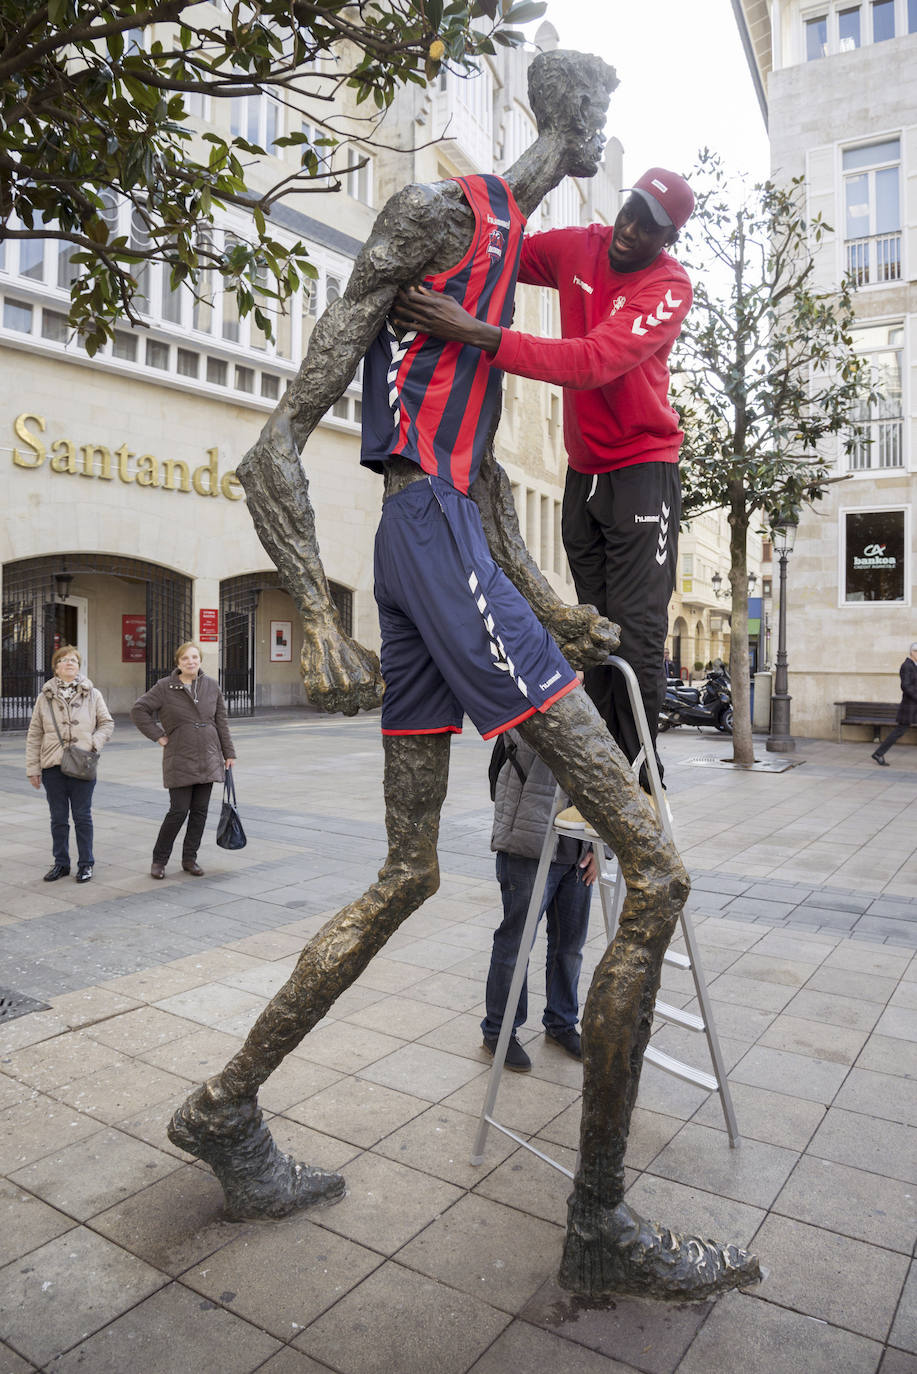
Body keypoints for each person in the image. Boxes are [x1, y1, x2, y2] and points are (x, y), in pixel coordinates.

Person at [165, 51, 759, 1303]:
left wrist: (560, 607)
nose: (609, 138)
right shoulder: (446, 215)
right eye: (605, 111)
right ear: (576, 120)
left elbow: (482, 473)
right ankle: (596, 1226)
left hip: (440, 538)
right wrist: (322, 632)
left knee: (408, 869)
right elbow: (274, 447)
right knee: (654, 866)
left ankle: (226, 1107)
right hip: (424, 543)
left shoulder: (509, 252)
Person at [394, 166, 695, 792]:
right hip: (583, 473)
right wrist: (445, 234)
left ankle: (637, 777)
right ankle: (602, 767)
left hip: (644, 467)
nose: (630, 231)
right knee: (592, 626)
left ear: (667, 240)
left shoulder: (668, 287)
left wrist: (471, 331)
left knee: (636, 632)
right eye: (630, 211)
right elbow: (503, 255)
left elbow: (591, 362)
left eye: (649, 228)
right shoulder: (581, 246)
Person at [484, 730, 595, 1072]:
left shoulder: (591, 707)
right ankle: (499, 1032)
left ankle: (561, 1022)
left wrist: (598, 846)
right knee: (516, 945)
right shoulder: (530, 700)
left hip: (578, 850)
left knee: (570, 946)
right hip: (529, 846)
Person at [131, 642, 235, 878]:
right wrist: (158, 735)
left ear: (200, 660)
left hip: (208, 755)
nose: (191, 661)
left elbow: (222, 722)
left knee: (200, 811)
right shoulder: (165, 687)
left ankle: (190, 859)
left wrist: (229, 753)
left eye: (195, 657)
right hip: (179, 756)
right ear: (178, 662)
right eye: (186, 658)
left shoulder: (211, 686)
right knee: (178, 811)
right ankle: (159, 861)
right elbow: (139, 710)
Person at [26, 645, 114, 883]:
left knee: (83, 816)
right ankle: (61, 863)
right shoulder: (44, 697)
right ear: (56, 667)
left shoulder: (92, 694)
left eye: (74, 660)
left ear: (78, 666)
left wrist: (92, 744)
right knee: (58, 818)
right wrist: (33, 769)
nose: (69, 664)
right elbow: (34, 734)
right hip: (52, 765)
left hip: (82, 763)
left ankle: (86, 863)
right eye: (64, 660)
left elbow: (106, 723)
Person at [872, 642, 917, 765]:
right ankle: (878, 753)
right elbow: (906, 686)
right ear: (912, 652)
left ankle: (878, 753)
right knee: (899, 731)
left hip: (913, 705)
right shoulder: (907, 666)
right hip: (910, 706)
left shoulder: (914, 665)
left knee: (900, 730)